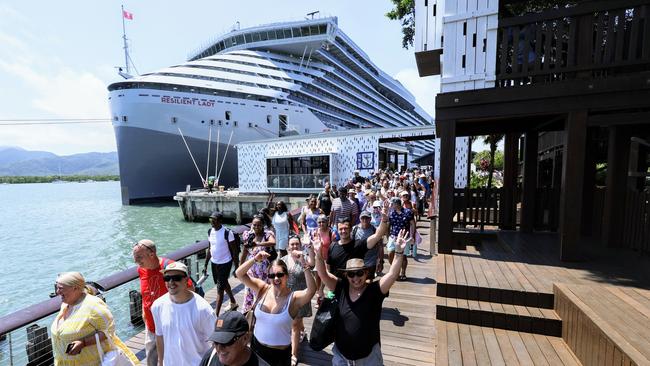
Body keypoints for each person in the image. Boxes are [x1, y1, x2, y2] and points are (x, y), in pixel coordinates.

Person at [313, 229, 410, 365]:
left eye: (359, 273)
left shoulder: (375, 291)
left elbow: (392, 274)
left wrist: (399, 252)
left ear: (366, 273)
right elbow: (323, 274)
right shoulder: (341, 288)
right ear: (346, 276)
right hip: (342, 356)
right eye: (351, 274)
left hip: (369, 357)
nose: (356, 278)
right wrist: (318, 253)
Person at [236, 250, 316, 366]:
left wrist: (304, 264)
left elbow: (311, 290)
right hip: (256, 348)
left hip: (279, 355)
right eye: (272, 275)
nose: (276, 278)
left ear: (287, 276)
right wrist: (255, 259)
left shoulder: (293, 298)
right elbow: (239, 274)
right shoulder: (262, 288)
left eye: (280, 275)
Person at [51, 272, 138, 365]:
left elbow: (109, 331)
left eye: (60, 288)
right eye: (57, 288)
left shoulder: (93, 306)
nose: (57, 292)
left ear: (75, 288)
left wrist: (83, 343)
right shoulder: (66, 304)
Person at [133, 239, 191, 366]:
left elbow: (190, 289)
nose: (136, 261)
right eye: (134, 257)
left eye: (139, 257)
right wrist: (144, 311)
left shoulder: (169, 267)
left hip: (171, 325)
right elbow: (145, 291)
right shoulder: (141, 269)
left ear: (152, 254)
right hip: (152, 325)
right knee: (152, 361)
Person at [151, 262, 216, 366]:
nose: (171, 282)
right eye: (167, 278)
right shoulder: (157, 306)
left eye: (176, 278)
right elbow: (160, 336)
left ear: (186, 280)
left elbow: (216, 343)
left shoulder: (204, 310)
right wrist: (161, 363)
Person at [327, 201, 389, 276]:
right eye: (341, 229)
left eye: (346, 228)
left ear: (350, 229)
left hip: (368, 263)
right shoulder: (332, 247)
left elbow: (378, 235)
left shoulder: (359, 244)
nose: (343, 231)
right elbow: (328, 271)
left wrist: (384, 220)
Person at [281, 236, 315, 365]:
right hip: (286, 297)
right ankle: (303, 331)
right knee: (297, 321)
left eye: (297, 244)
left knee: (294, 324)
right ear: (288, 246)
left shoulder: (304, 258)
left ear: (300, 245)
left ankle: (293, 354)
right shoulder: (283, 260)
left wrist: (309, 249)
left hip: (301, 297)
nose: (295, 246)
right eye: (292, 244)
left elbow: (312, 263)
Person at [199, 311, 270, 366]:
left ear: (245, 339)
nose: (219, 348)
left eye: (226, 341)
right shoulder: (210, 356)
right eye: (216, 342)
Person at [204, 211, 239, 315]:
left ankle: (216, 315)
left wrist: (236, 267)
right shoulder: (210, 231)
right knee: (222, 283)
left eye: (214, 220)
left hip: (225, 262)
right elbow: (210, 249)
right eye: (210, 220)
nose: (212, 222)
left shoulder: (227, 233)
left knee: (220, 288)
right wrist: (205, 264)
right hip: (214, 262)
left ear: (220, 221)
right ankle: (233, 302)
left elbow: (235, 252)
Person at [242, 215, 276, 312]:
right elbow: (245, 252)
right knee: (250, 290)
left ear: (263, 225)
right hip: (251, 268)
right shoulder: (248, 235)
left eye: (259, 225)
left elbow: (273, 242)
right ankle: (249, 313)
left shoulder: (267, 234)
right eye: (254, 225)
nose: (256, 227)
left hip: (264, 269)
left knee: (262, 290)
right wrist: (240, 266)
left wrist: (257, 244)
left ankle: (263, 310)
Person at [387, 197, 415, 281]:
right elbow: (388, 225)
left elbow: (412, 224)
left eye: (392, 204)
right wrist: (388, 235)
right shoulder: (391, 213)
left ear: (397, 204)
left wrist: (412, 235)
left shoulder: (408, 212)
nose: (391, 205)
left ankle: (403, 273)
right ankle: (395, 270)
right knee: (390, 253)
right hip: (393, 236)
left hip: (404, 237)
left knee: (403, 256)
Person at [354, 211, 379, 278]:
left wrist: (380, 261)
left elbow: (380, 247)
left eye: (367, 218)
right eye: (363, 218)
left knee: (369, 281)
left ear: (370, 219)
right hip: (358, 261)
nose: (364, 220)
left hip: (371, 261)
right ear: (360, 219)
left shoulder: (375, 230)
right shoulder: (354, 229)